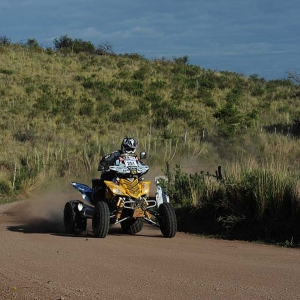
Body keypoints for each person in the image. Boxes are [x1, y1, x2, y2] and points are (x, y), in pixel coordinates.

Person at [93, 137, 139, 202]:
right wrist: (102, 166)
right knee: (104, 182)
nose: (131, 151)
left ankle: (138, 198)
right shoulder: (116, 154)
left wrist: (142, 167)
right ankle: (99, 202)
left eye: (132, 149)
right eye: (129, 149)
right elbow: (106, 159)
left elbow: (140, 164)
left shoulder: (134, 157)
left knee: (139, 180)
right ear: (124, 147)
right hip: (114, 175)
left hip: (128, 176)